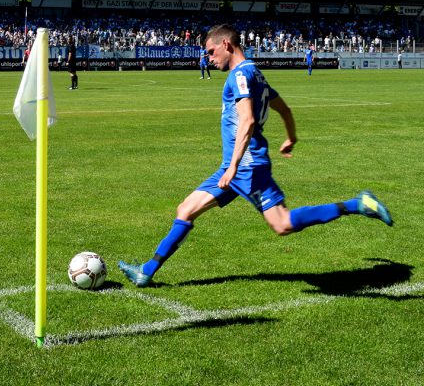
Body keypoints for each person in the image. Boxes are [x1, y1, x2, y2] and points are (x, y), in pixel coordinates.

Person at [117, 24, 393, 288]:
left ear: (226, 44)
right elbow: (283, 109)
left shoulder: (239, 75)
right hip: (235, 166)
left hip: (246, 166)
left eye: (211, 52)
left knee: (282, 224)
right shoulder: (255, 73)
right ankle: (146, 272)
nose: (209, 58)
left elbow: (247, 121)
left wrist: (234, 166)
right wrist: (291, 137)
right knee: (186, 210)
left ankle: (357, 204)